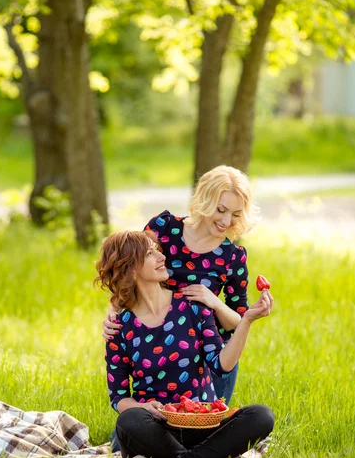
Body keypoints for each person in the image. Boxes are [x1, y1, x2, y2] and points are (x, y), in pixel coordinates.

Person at [95, 230, 274, 458]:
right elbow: (118, 398)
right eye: (150, 253)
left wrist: (247, 321)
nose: (161, 257)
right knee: (129, 421)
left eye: (158, 250)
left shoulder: (192, 306)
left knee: (261, 416)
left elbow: (222, 365)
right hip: (157, 430)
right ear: (131, 268)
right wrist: (143, 407)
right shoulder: (120, 327)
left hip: (203, 424)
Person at [102, 165, 260, 405]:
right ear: (205, 201)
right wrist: (113, 316)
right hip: (153, 346)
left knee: (203, 425)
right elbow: (128, 266)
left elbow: (238, 321)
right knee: (142, 428)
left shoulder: (232, 257)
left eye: (236, 214)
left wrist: (214, 302)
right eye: (221, 210)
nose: (226, 221)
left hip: (208, 356)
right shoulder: (164, 229)